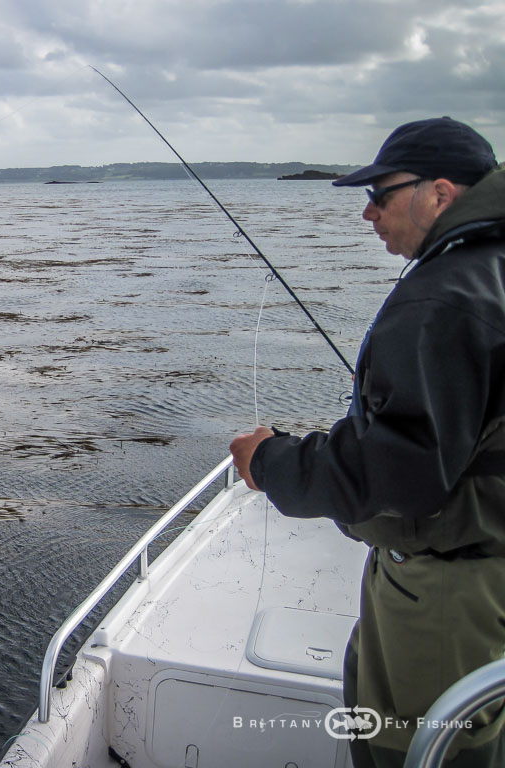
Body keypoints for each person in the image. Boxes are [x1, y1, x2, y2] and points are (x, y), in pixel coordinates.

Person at [229, 116, 505, 768]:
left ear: (439, 193)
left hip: (445, 596)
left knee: (417, 749)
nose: (368, 213)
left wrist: (270, 460)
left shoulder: (442, 299)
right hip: (487, 570)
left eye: (381, 194)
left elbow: (400, 475)